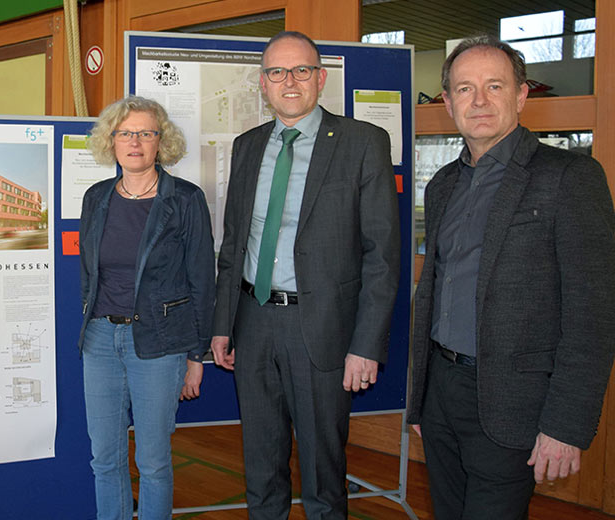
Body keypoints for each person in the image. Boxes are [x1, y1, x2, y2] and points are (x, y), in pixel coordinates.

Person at [406, 35, 615, 519]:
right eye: (464, 88)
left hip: (513, 403)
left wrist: (565, 425)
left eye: (494, 86)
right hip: (442, 396)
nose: (479, 101)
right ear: (448, 103)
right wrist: (421, 400)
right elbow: (436, 291)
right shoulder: (443, 185)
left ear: (520, 96)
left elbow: (593, 314)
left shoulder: (569, 178)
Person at [210, 31, 400, 519]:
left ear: (320, 79)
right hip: (253, 323)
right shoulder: (247, 146)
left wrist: (366, 344)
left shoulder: (363, 142)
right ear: (263, 84)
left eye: (300, 71)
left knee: (322, 472)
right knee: (261, 464)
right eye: (277, 72)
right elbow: (234, 244)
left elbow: (382, 255)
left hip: (324, 330)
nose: (288, 81)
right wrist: (222, 324)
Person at [78, 95, 215, 519]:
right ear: (111, 141)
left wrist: (197, 355)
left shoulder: (185, 199)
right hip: (100, 339)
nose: (135, 142)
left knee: (153, 463)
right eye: (125, 133)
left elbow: (202, 281)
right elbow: (88, 274)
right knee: (105, 459)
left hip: (158, 344)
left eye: (146, 133)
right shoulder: (96, 197)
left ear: (161, 141)